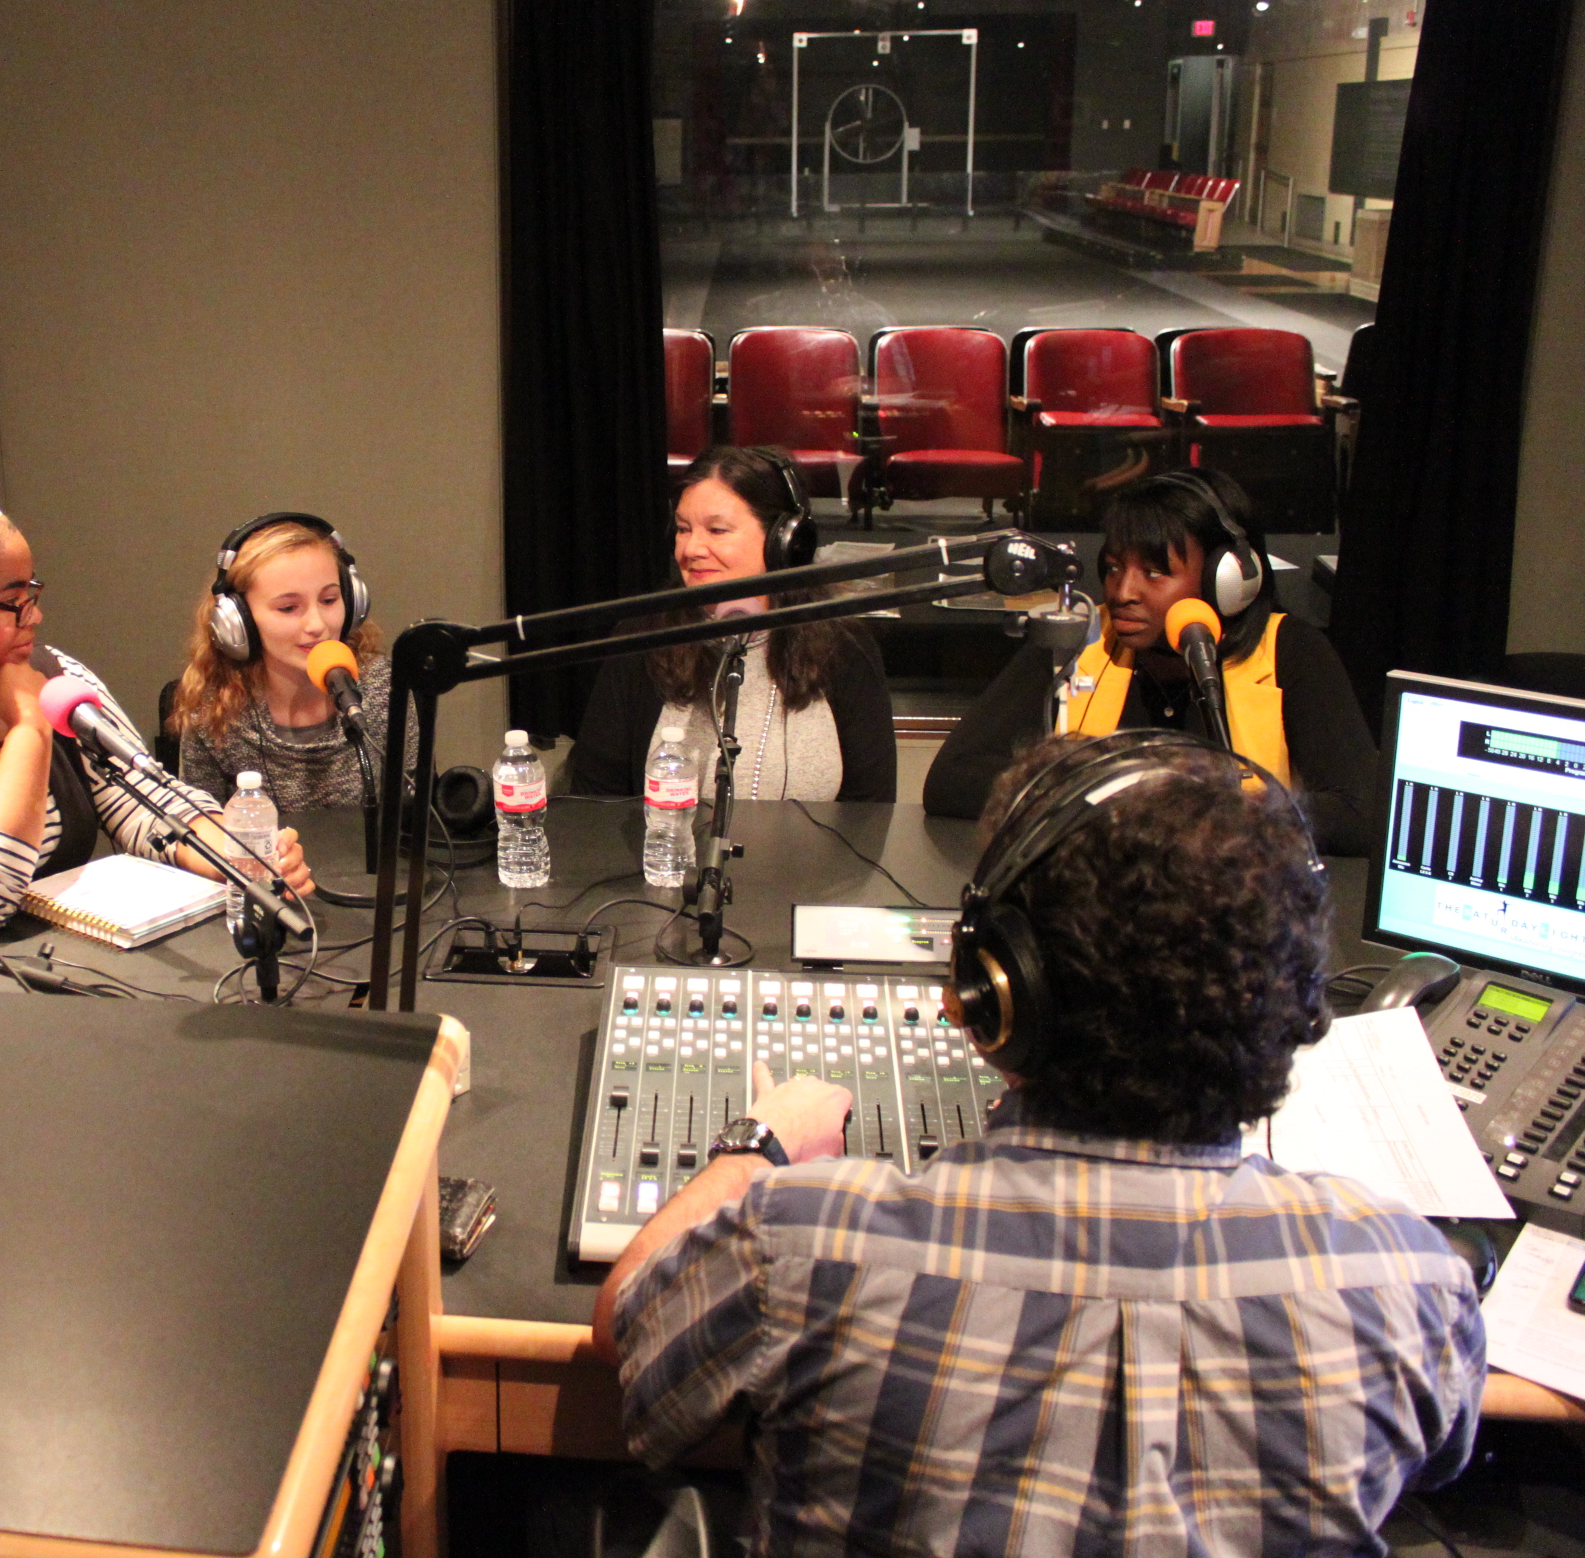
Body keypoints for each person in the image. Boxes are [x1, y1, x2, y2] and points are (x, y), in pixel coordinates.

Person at [596, 731, 1484, 1558]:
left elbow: (633, 1334)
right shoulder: (1406, 1286)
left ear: (996, 991)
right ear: (1292, 1012)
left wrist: (757, 1148)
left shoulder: (804, 1246)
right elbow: (1443, 1458)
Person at [0, 483, 313, 938]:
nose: (36, 615)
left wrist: (237, 856)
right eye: (13, 599)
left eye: (32, 592)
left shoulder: (52, 673)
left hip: (50, 972)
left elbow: (143, 802)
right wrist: (28, 732)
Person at [925, 467, 1376, 853]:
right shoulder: (1079, 639)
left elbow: (1360, 812)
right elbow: (952, 780)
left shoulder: (1291, 652)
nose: (1123, 592)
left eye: (1154, 573)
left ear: (1229, 578)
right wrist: (1123, 802)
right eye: (1116, 567)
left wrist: (1209, 816)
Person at [568, 447, 895, 802]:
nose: (691, 549)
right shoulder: (642, 638)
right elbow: (595, 806)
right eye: (682, 529)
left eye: (717, 530)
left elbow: (872, 815)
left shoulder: (843, 647)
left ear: (784, 540)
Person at [169, 513, 416, 809]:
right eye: (288, 608)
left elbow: (413, 819)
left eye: (328, 600)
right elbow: (202, 829)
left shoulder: (384, 688)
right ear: (238, 621)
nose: (316, 624)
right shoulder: (213, 710)